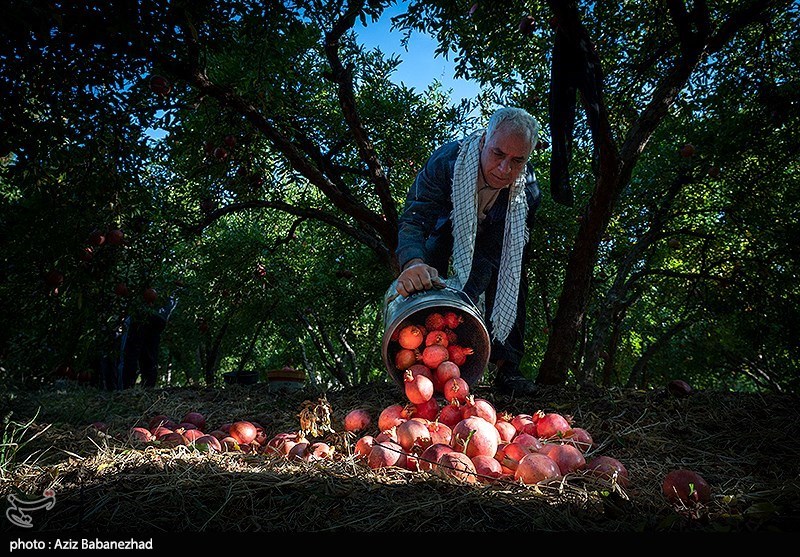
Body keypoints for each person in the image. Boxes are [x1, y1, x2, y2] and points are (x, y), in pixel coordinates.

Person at [394, 107, 542, 396]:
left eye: (517, 161)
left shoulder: (529, 192)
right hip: (446, 229)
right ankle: (423, 366)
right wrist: (412, 262)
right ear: (485, 138)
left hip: (497, 240)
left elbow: (495, 252)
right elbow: (415, 217)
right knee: (430, 271)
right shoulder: (447, 162)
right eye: (498, 154)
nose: (504, 170)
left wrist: (467, 297)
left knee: (512, 277)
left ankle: (507, 366)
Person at [121, 294, 178, 388]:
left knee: (134, 353)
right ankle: (145, 387)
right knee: (147, 355)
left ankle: (129, 387)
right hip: (154, 318)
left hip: (146, 317)